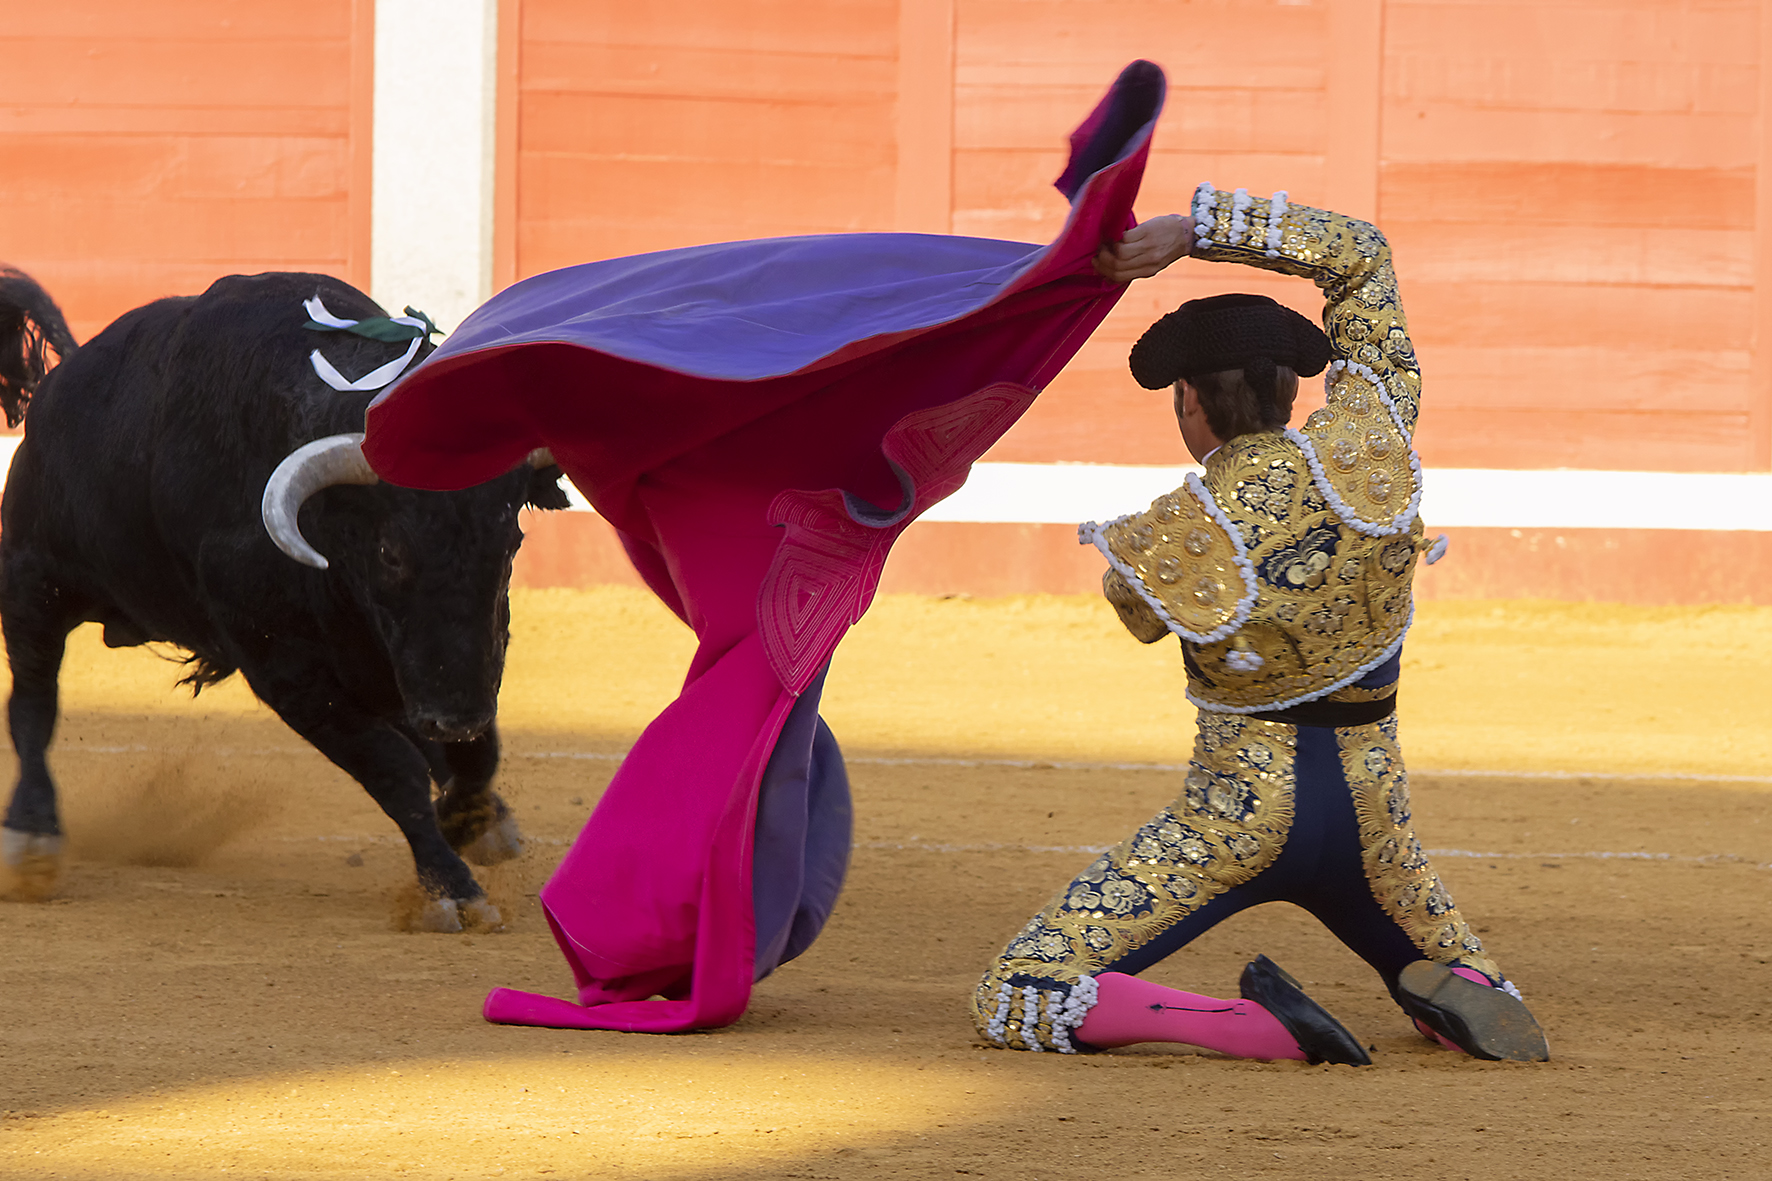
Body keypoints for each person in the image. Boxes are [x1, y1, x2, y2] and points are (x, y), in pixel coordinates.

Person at [970, 184, 1550, 1064]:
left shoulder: (1184, 527)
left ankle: (1244, 1024)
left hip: (1236, 817)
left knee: (1019, 992)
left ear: (1189, 404)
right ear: (1291, 385)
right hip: (1374, 820)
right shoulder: (1375, 440)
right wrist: (1194, 232)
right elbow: (1359, 253)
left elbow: (1136, 609)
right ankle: (1463, 985)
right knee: (1432, 943)